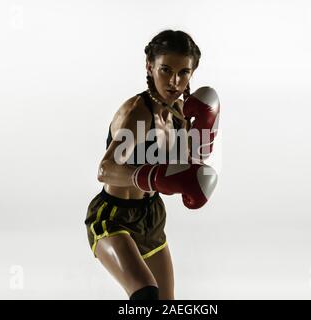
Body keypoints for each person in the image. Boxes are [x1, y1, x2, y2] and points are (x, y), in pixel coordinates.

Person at [84, 30, 217, 300]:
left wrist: (205, 130)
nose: (174, 81)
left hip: (151, 216)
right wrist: (154, 178)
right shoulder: (137, 114)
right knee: (146, 295)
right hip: (113, 218)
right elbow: (105, 170)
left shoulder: (181, 114)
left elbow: (185, 166)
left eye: (183, 72)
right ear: (149, 66)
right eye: (165, 70)